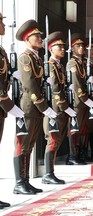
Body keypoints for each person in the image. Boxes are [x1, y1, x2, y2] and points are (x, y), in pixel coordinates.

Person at [14, 19, 57, 195]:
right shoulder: (25, 58)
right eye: (36, 36)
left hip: (36, 109)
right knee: (22, 145)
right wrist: (43, 106)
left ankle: (25, 180)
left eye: (40, 36)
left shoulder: (36, 58)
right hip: (29, 107)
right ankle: (19, 182)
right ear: (27, 39)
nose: (40, 38)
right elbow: (30, 85)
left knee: (30, 145)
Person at [42, 31, 77, 184]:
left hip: (61, 110)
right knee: (53, 140)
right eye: (59, 47)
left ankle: (50, 172)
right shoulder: (50, 66)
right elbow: (55, 89)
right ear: (51, 49)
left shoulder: (59, 66)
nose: (63, 49)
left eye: (63, 46)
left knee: (58, 140)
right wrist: (64, 107)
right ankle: (48, 173)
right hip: (55, 110)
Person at [0, 12, 24, 208]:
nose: (3, 25)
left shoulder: (1, 49)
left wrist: (10, 74)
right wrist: (9, 105)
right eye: (0, 21)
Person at [66, 33, 93, 165]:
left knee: (81, 129)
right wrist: (85, 99)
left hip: (83, 102)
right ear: (72, 48)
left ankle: (78, 153)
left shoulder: (82, 63)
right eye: (78, 46)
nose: (81, 48)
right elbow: (77, 84)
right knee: (74, 129)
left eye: (82, 46)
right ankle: (72, 155)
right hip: (77, 102)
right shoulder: (72, 63)